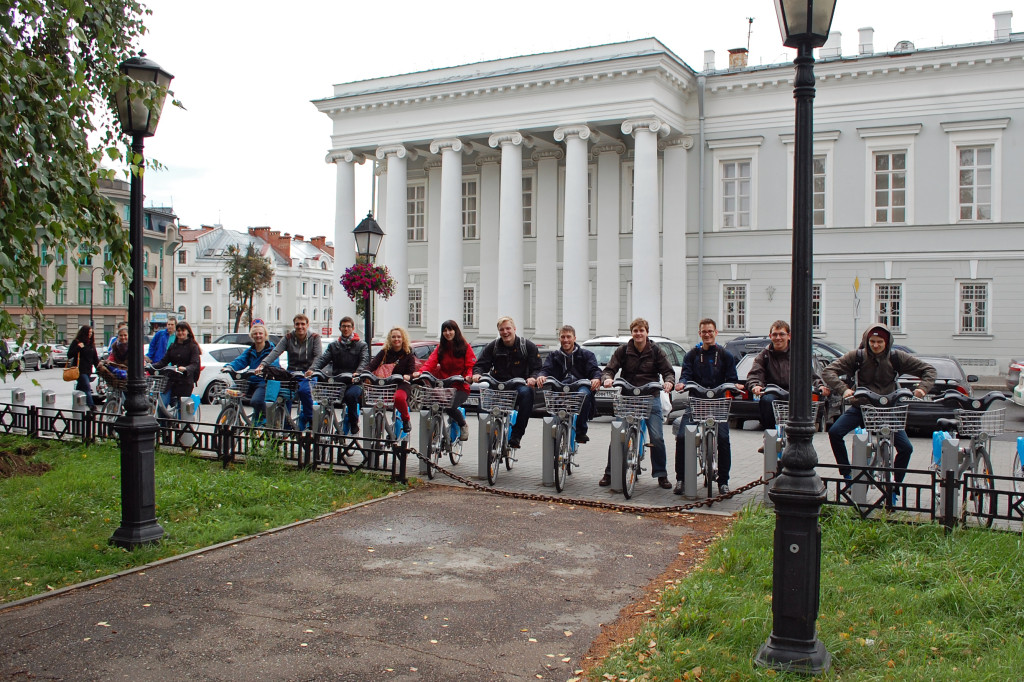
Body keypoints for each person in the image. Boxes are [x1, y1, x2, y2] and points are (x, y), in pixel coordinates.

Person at [821, 323, 936, 488]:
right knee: (835, 432)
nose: (875, 345)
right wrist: (844, 390)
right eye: (872, 341)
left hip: (888, 410)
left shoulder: (896, 357)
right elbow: (828, 371)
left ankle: (896, 484)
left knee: (906, 448)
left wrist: (922, 389)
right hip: (861, 407)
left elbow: (929, 370)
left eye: (880, 342)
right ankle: (846, 473)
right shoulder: (857, 356)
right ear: (867, 340)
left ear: (887, 342)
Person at [598, 317, 676, 489]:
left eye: (642, 330)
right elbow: (610, 369)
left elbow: (668, 371)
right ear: (631, 333)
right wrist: (608, 378)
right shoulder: (623, 350)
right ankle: (610, 472)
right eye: (635, 331)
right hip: (628, 397)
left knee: (657, 437)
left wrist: (669, 382)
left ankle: (661, 474)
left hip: (650, 397)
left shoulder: (656, 351)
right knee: (618, 434)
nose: (638, 334)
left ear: (647, 332)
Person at [673, 318, 741, 495]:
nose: (707, 334)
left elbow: (732, 378)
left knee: (724, 439)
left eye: (710, 331)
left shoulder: (725, 355)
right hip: (696, 403)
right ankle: (681, 478)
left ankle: (723, 482)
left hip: (718, 404)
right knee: (682, 437)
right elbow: (685, 374)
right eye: (704, 331)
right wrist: (682, 383)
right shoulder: (692, 355)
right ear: (700, 334)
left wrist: (735, 387)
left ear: (716, 333)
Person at [745, 320, 828, 434]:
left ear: (789, 336)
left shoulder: (798, 354)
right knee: (766, 401)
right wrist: (756, 385)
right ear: (770, 336)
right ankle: (770, 435)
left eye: (781, 334)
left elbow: (810, 375)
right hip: (774, 393)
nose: (778, 337)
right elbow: (755, 373)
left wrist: (820, 386)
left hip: (795, 393)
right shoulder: (764, 355)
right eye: (775, 334)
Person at [471, 316, 542, 449]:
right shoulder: (494, 346)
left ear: (514, 329)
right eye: (502, 329)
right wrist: (477, 374)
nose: (505, 332)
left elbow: (537, 367)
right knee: (482, 403)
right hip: (497, 385)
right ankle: (488, 432)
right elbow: (481, 364)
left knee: (528, 394)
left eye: (508, 328)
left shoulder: (527, 346)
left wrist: (532, 378)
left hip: (518, 386)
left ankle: (516, 435)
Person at [537, 325, 601, 444]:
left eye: (568, 337)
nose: (565, 340)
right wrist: (542, 375)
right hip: (560, 386)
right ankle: (555, 434)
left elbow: (594, 370)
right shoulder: (553, 355)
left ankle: (581, 431)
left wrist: (596, 378)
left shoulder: (587, 355)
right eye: (563, 337)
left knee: (584, 395)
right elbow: (546, 369)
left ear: (574, 338)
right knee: (554, 412)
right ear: (559, 339)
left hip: (579, 386)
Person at [415, 320, 477, 442]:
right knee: (432, 405)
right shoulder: (440, 348)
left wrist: (469, 377)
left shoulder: (465, 347)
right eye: (445, 330)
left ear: (456, 331)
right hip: (443, 385)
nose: (447, 333)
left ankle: (463, 425)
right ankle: (435, 429)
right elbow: (430, 363)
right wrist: (420, 372)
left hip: (460, 386)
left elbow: (471, 365)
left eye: (450, 330)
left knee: (450, 406)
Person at [258, 314, 322, 431]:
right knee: (283, 394)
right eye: (297, 324)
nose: (300, 327)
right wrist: (263, 364)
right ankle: (286, 424)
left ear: (307, 325)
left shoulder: (315, 337)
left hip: (308, 373)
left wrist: (312, 369)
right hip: (292, 372)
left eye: (303, 324)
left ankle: (310, 418)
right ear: (294, 325)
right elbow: (276, 352)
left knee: (304, 391)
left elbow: (318, 356)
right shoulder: (288, 338)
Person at [309, 316, 370, 434]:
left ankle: (354, 424)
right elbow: (323, 359)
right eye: (343, 326)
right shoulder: (334, 346)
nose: (346, 329)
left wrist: (358, 372)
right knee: (324, 399)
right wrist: (313, 369)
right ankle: (326, 421)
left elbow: (364, 360)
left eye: (348, 326)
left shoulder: (361, 345)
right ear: (340, 328)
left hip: (354, 382)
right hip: (337, 381)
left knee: (351, 396)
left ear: (352, 328)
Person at [224, 322, 280, 425]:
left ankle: (266, 418)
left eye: (260, 333)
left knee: (256, 401)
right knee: (230, 393)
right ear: (252, 336)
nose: (258, 336)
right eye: (255, 334)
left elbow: (274, 363)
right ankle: (235, 417)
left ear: (265, 335)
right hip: (251, 381)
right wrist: (229, 367)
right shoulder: (250, 350)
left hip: (264, 382)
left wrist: (263, 369)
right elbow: (240, 360)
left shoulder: (271, 350)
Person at [367, 326, 418, 437]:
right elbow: (373, 364)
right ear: (390, 339)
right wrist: (363, 373)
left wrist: (408, 376)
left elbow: (412, 371)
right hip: (386, 384)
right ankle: (378, 426)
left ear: (403, 338)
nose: (396, 339)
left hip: (402, 384)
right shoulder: (385, 352)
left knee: (399, 398)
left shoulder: (408, 353)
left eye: (399, 337)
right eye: (393, 337)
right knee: (376, 403)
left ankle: (405, 420)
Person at [152, 321, 201, 414]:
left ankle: (181, 426)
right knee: (162, 405)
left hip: (185, 382)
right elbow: (163, 362)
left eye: (183, 330)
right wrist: (150, 366)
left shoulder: (193, 347)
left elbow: (194, 364)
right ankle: (164, 426)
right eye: (178, 330)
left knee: (181, 410)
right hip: (171, 380)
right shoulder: (173, 346)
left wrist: (186, 369)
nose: (180, 333)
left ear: (188, 332)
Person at [67, 325, 100, 409]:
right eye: (88, 332)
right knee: (86, 386)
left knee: (80, 388)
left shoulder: (91, 344)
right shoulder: (77, 342)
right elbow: (69, 355)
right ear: (84, 333)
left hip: (88, 370)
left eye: (91, 333)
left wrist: (99, 369)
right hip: (79, 370)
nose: (90, 334)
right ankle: (92, 407)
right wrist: (78, 347)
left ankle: (76, 405)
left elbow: (95, 358)